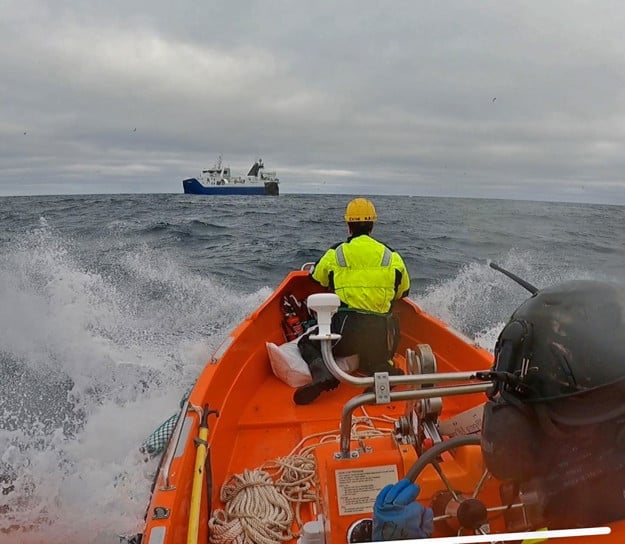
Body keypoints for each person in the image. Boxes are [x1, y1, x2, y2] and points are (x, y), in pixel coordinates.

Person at [293, 197, 410, 405]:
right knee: (376, 357)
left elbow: (316, 277)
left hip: (346, 331)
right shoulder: (392, 256)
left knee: (306, 343)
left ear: (349, 226)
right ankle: (386, 372)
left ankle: (323, 374)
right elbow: (403, 292)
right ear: (372, 226)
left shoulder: (337, 253)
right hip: (381, 334)